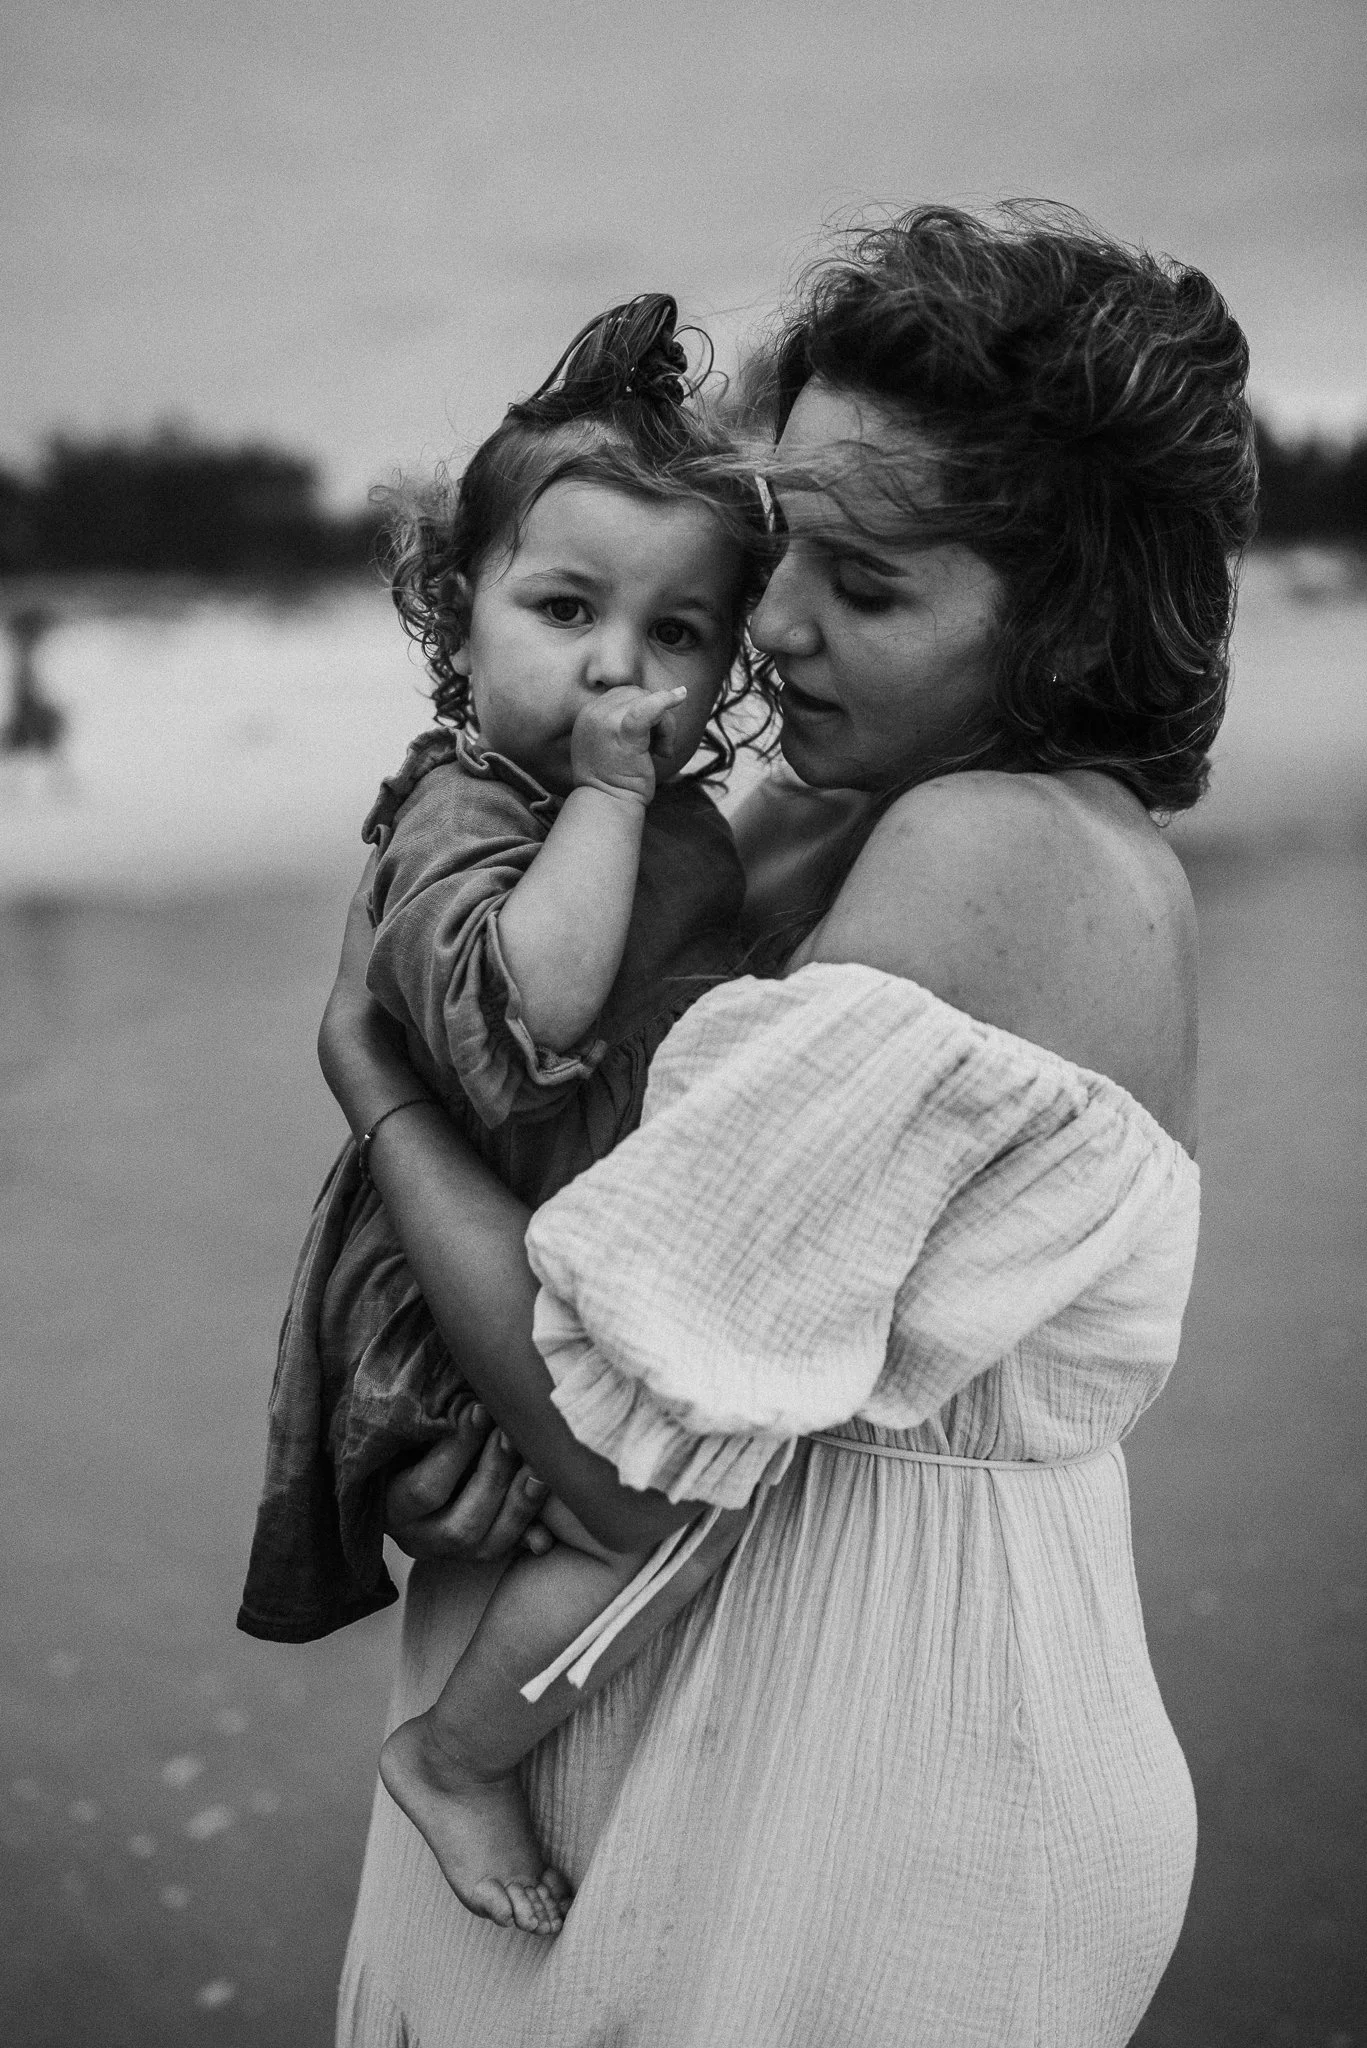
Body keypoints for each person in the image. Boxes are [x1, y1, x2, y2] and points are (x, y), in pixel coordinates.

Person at [320, 205, 1259, 2046]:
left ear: (1067, 614)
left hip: (856, 1791)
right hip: (717, 1747)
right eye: (782, 557)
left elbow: (619, 1441)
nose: (780, 631)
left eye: (874, 587)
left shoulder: (996, 852)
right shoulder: (825, 821)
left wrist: (373, 1088)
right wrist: (436, 1444)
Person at [238, 296, 773, 1933]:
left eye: (679, 635)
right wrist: (610, 802)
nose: (622, 668)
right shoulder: (466, 818)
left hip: (547, 1266)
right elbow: (513, 1037)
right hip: (439, 1314)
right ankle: (457, 1757)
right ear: (451, 613)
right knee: (649, 1520)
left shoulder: (653, 811)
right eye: (564, 608)